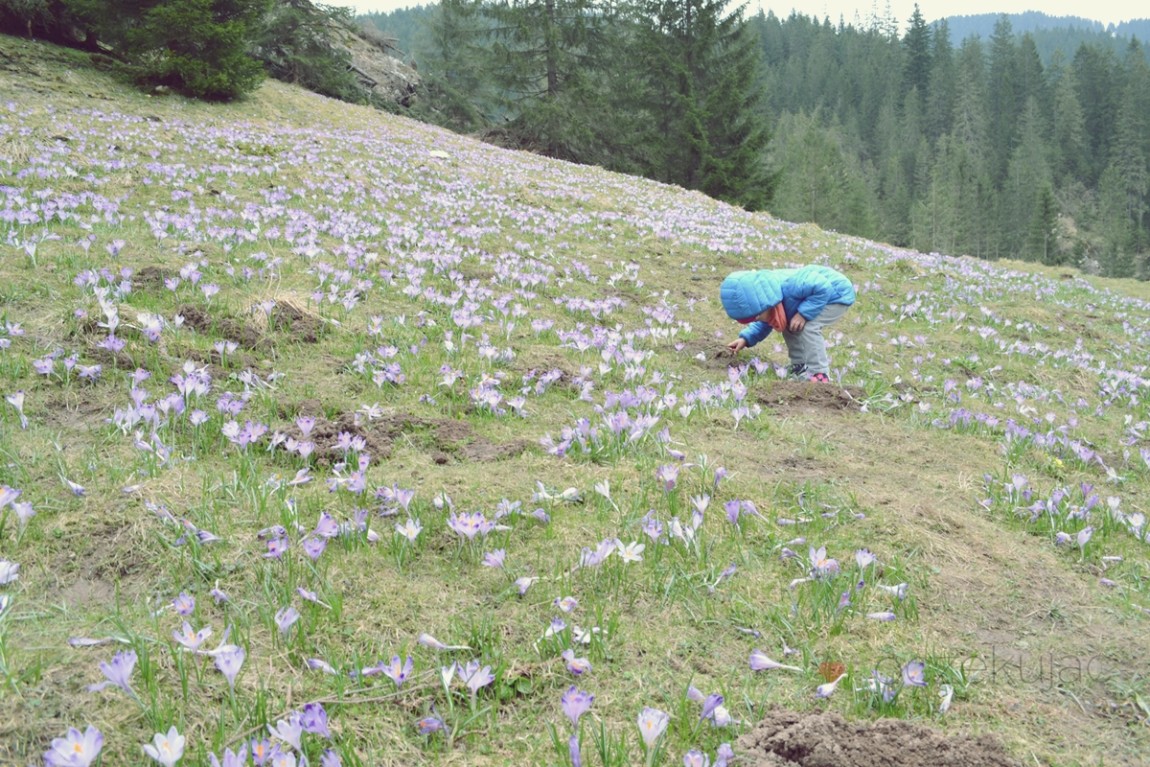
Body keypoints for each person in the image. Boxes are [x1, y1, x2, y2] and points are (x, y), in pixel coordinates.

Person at [720, 265, 855, 383]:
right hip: (813, 297)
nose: (757, 320)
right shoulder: (768, 301)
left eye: (757, 317)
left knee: (808, 326)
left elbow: (822, 287)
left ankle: (819, 373)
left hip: (835, 294)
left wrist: (803, 314)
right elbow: (766, 321)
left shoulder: (790, 286)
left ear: (765, 305)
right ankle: (800, 366)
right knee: (789, 324)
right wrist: (746, 338)